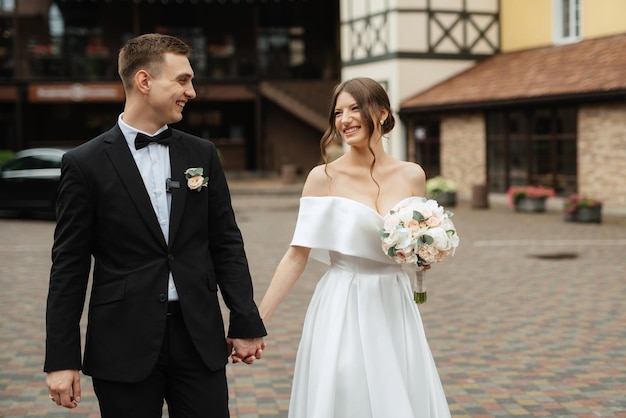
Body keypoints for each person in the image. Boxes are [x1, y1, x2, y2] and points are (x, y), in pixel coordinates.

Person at [44, 33, 266, 418]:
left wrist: (245, 318)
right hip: (122, 342)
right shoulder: (84, 164)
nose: (191, 91)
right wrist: (62, 359)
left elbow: (226, 242)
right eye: (182, 80)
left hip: (198, 336)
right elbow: (69, 266)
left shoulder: (202, 154)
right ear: (144, 81)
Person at [258, 77, 451, 417]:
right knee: (345, 387)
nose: (344, 119)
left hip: (394, 298)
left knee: (398, 387)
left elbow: (417, 238)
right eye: (337, 112)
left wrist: (426, 250)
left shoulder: (413, 175)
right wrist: (258, 320)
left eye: (354, 109)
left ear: (381, 113)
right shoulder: (323, 177)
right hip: (343, 299)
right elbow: (296, 255)